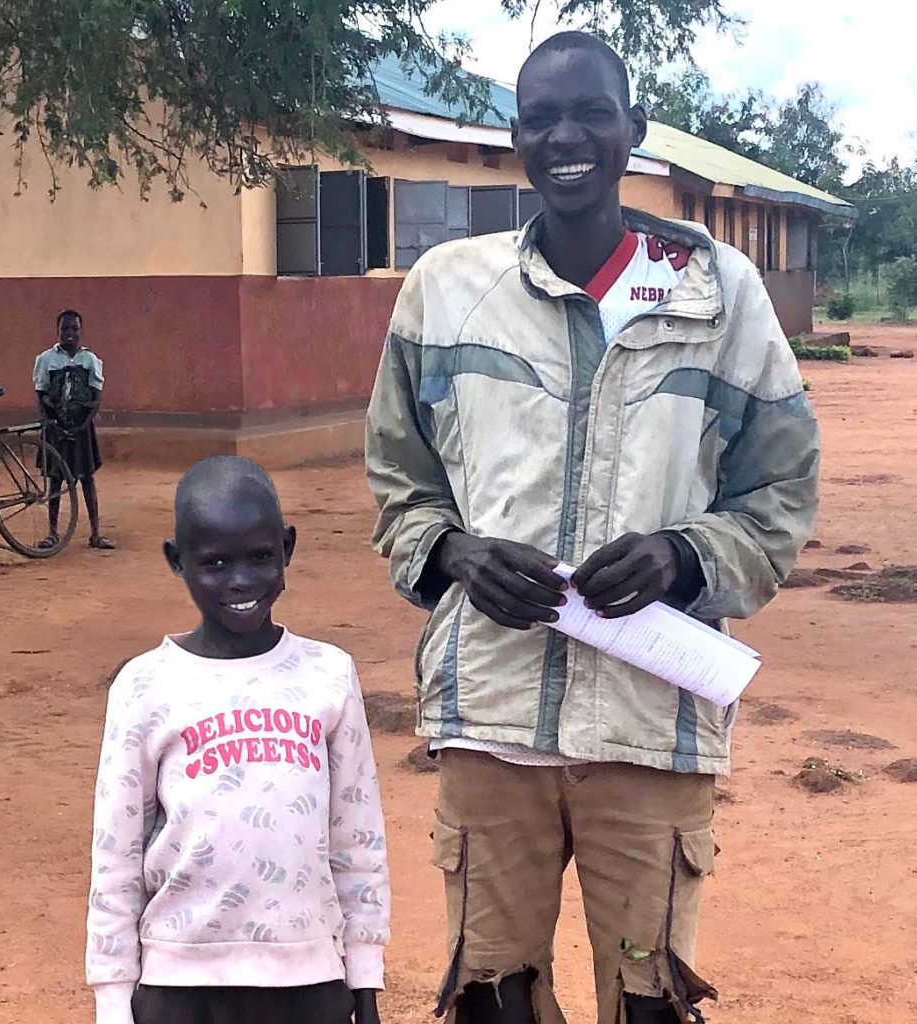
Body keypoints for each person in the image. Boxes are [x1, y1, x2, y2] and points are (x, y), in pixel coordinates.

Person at [365, 30, 819, 1024]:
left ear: (633, 134)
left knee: (651, 1003)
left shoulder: (718, 293)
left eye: (589, 114)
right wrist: (453, 552)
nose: (564, 135)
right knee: (492, 1004)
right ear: (515, 136)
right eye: (540, 117)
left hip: (648, 719)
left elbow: (779, 490)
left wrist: (685, 555)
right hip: (488, 715)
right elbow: (399, 478)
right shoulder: (444, 292)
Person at [85, 456, 390, 1024]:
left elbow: (357, 834)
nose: (241, 581)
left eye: (259, 556)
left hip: (310, 979)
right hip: (180, 983)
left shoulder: (328, 674)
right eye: (215, 562)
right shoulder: (146, 685)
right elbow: (116, 853)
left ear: (287, 548)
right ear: (177, 561)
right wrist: (111, 1001)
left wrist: (365, 982)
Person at [33, 309, 115, 550]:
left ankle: (95, 533)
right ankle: (52, 533)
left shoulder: (90, 360)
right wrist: (51, 424)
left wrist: (83, 424)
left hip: (81, 428)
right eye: (64, 329)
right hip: (55, 427)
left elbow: (96, 396)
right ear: (57, 331)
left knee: (87, 479)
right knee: (55, 480)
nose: (69, 334)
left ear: (81, 331)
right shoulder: (46, 360)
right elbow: (41, 396)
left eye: (74, 329)